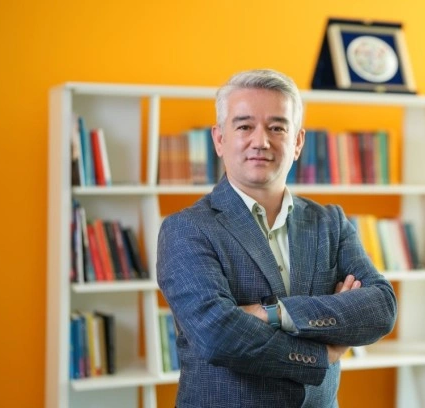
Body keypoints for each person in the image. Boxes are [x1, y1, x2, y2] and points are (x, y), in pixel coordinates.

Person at [157, 68, 398, 408]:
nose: (261, 141)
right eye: (244, 126)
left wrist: (272, 313)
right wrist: (321, 354)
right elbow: (217, 334)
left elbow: (381, 308)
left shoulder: (331, 223)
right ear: (219, 139)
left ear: (297, 142)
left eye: (277, 128)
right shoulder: (186, 228)